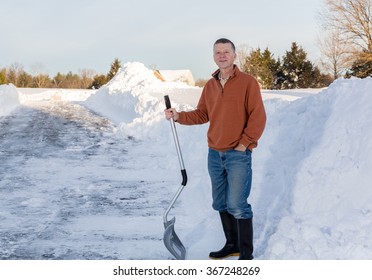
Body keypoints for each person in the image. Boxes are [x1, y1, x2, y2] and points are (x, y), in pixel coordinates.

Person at [164, 38, 266, 260]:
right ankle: (232, 245)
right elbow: (202, 114)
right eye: (218, 52)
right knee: (220, 202)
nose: (222, 55)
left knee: (237, 204)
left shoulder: (248, 82)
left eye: (226, 52)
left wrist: (244, 144)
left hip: (237, 154)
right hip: (214, 153)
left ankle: (246, 255)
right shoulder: (210, 86)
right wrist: (179, 116)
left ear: (234, 55)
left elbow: (258, 117)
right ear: (213, 56)